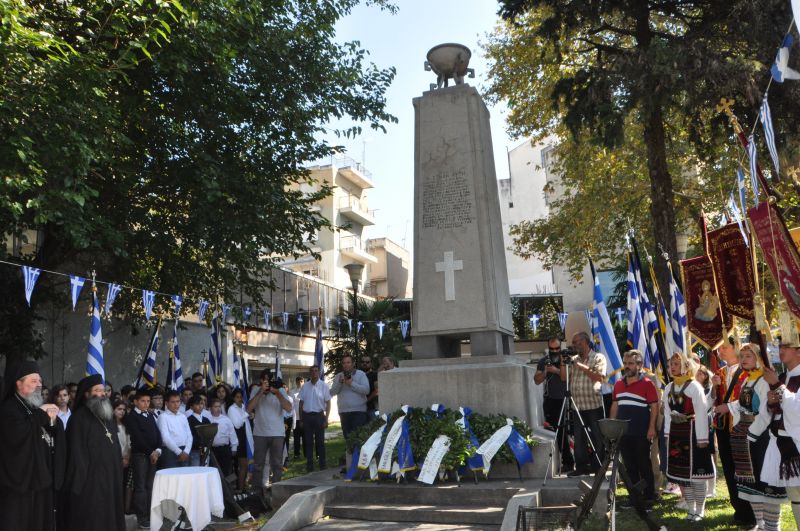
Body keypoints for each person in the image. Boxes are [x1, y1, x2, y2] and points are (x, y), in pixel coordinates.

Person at [715, 343, 784, 530]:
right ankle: (760, 523)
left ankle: (771, 525)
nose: (744, 359)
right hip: (745, 436)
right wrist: (727, 407)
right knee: (749, 482)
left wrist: (750, 435)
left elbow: (765, 412)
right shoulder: (749, 380)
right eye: (743, 356)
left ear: (759, 358)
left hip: (760, 439)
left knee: (763, 483)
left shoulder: (763, 380)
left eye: (749, 356)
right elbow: (741, 403)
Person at [0, 360, 65, 531]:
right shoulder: (8, 409)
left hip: (39, 479)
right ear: (18, 383)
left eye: (40, 381)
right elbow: (17, 437)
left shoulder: (32, 406)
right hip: (18, 484)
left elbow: (45, 434)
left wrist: (53, 423)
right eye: (33, 381)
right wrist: (41, 415)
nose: (38, 385)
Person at [63, 374, 125, 531]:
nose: (102, 393)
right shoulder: (78, 419)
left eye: (103, 390)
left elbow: (115, 445)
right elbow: (76, 453)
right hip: (90, 481)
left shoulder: (108, 415)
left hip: (111, 477)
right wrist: (80, 481)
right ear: (87, 394)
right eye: (97, 390)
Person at [711, 337, 756, 526]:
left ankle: (751, 512)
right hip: (723, 428)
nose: (720, 352)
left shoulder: (747, 372)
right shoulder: (720, 372)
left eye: (725, 348)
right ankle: (738, 509)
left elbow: (751, 397)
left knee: (744, 469)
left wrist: (727, 407)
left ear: (735, 348)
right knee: (729, 468)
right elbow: (713, 400)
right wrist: (713, 387)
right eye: (720, 349)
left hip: (742, 426)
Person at [663, 353, 713, 522]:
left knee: (697, 476)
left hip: (693, 434)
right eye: (671, 364)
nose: (673, 367)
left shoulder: (694, 387)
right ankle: (691, 509)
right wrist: (667, 435)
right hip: (677, 435)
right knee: (683, 477)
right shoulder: (668, 387)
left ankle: (700, 510)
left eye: (676, 364)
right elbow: (667, 414)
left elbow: (701, 413)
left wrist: (702, 439)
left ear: (686, 366)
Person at [610, 349, 658, 506]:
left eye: (630, 363)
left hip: (641, 432)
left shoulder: (647, 384)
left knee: (644, 465)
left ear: (639, 365)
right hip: (624, 434)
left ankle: (649, 495)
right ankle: (635, 497)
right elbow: (615, 406)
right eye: (625, 363)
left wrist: (651, 428)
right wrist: (612, 426)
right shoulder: (618, 384)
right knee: (630, 467)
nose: (627, 366)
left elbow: (655, 407)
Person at [762, 336, 800, 528]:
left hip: (797, 441)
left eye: (786, 346)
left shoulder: (782, 380)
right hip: (783, 443)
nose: (781, 350)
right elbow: (776, 410)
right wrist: (770, 402)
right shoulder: (784, 377)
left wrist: (777, 385)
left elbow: (797, 408)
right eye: (780, 346)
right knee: (794, 492)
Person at [560, 331, 606, 475]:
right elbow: (563, 377)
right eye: (573, 343)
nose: (574, 345)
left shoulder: (598, 357)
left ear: (585, 342)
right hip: (577, 405)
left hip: (593, 405)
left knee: (597, 437)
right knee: (579, 438)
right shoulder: (574, 359)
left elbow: (599, 377)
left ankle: (598, 467)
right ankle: (581, 468)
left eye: (576, 342)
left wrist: (579, 365)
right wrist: (563, 361)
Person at [247, 369, 292, 491]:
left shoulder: (280, 390)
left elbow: (289, 408)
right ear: (261, 380)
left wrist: (277, 393)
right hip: (260, 433)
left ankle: (276, 490)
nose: (268, 383)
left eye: (269, 380)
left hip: (277, 433)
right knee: (258, 464)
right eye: (265, 380)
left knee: (277, 464)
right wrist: (261, 391)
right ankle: (257, 492)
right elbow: (248, 409)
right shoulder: (256, 390)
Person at [535, 336, 574, 474]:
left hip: (563, 399)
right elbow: (537, 380)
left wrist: (555, 370)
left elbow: (564, 377)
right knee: (552, 431)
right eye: (552, 349)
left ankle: (569, 462)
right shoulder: (544, 361)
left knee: (562, 431)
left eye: (557, 348)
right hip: (549, 399)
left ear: (561, 347)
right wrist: (546, 371)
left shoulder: (565, 359)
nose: (555, 351)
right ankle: (557, 460)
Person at [125, 389, 163, 529]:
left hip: (153, 455)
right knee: (140, 487)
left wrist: (158, 450)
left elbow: (158, 434)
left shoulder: (149, 415)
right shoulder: (132, 417)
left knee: (150, 486)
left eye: (148, 401)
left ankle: (151, 514)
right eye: (142, 401)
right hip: (140, 456)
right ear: (135, 401)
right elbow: (137, 438)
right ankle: (142, 518)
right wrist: (151, 452)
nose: (146, 404)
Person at [330, 354, 370, 444]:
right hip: (344, 413)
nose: (346, 365)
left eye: (348, 362)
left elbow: (366, 390)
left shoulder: (361, 374)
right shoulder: (338, 376)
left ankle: (358, 458)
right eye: (344, 363)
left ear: (353, 364)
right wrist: (340, 383)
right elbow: (332, 393)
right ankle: (350, 458)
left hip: (358, 412)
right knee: (348, 440)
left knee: (359, 440)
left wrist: (351, 383)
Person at [298, 365, 331, 473]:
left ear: (319, 372)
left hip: (319, 416)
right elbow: (301, 403)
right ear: (309, 373)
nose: (314, 373)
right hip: (307, 417)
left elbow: (328, 402)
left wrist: (326, 419)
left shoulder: (324, 386)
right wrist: (301, 419)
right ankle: (310, 466)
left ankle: (322, 465)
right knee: (308, 442)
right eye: (312, 371)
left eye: (316, 371)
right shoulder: (305, 386)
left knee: (320, 441)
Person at [157, 390, 193, 468]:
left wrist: (186, 451)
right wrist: (179, 452)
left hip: (185, 450)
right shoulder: (163, 417)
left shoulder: (183, 416)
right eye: (173, 402)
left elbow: (189, 435)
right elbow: (165, 438)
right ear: (166, 403)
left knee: (185, 477)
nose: (176, 404)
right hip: (170, 452)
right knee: (172, 477)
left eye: (178, 401)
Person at [227, 388, 252, 491]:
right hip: (238, 439)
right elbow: (237, 425)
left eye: (241, 397)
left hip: (245, 437)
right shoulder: (231, 409)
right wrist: (246, 414)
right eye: (237, 397)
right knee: (243, 465)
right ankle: (240, 488)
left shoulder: (242, 407)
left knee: (245, 465)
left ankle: (243, 485)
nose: (240, 399)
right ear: (233, 398)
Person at [113, 398, 133, 515]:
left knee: (127, 485)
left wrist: (127, 458)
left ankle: (126, 508)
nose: (122, 412)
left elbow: (130, 443)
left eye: (124, 410)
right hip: (115, 460)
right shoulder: (109, 425)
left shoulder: (127, 425)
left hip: (127, 459)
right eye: (119, 409)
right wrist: (120, 459)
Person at [209, 398, 238, 476]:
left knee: (225, 470)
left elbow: (232, 433)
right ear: (211, 408)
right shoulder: (208, 418)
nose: (218, 408)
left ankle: (224, 488)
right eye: (215, 407)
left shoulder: (226, 419)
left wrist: (234, 447)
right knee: (213, 471)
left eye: (219, 406)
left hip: (224, 449)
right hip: (212, 449)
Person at [186, 395, 211, 466]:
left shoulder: (206, 420)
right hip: (195, 450)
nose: (200, 406)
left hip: (206, 449)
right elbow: (190, 435)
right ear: (191, 407)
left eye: (201, 403)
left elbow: (210, 433)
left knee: (205, 468)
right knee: (196, 469)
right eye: (197, 404)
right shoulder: (189, 420)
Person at [291, 377, 307, 460]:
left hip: (305, 418)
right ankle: (296, 454)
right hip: (296, 418)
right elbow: (291, 406)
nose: (300, 383)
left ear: (304, 382)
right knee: (296, 438)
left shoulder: (307, 391)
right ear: (296, 382)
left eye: (302, 381)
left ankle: (306, 454)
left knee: (306, 437)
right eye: (298, 381)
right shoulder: (292, 392)